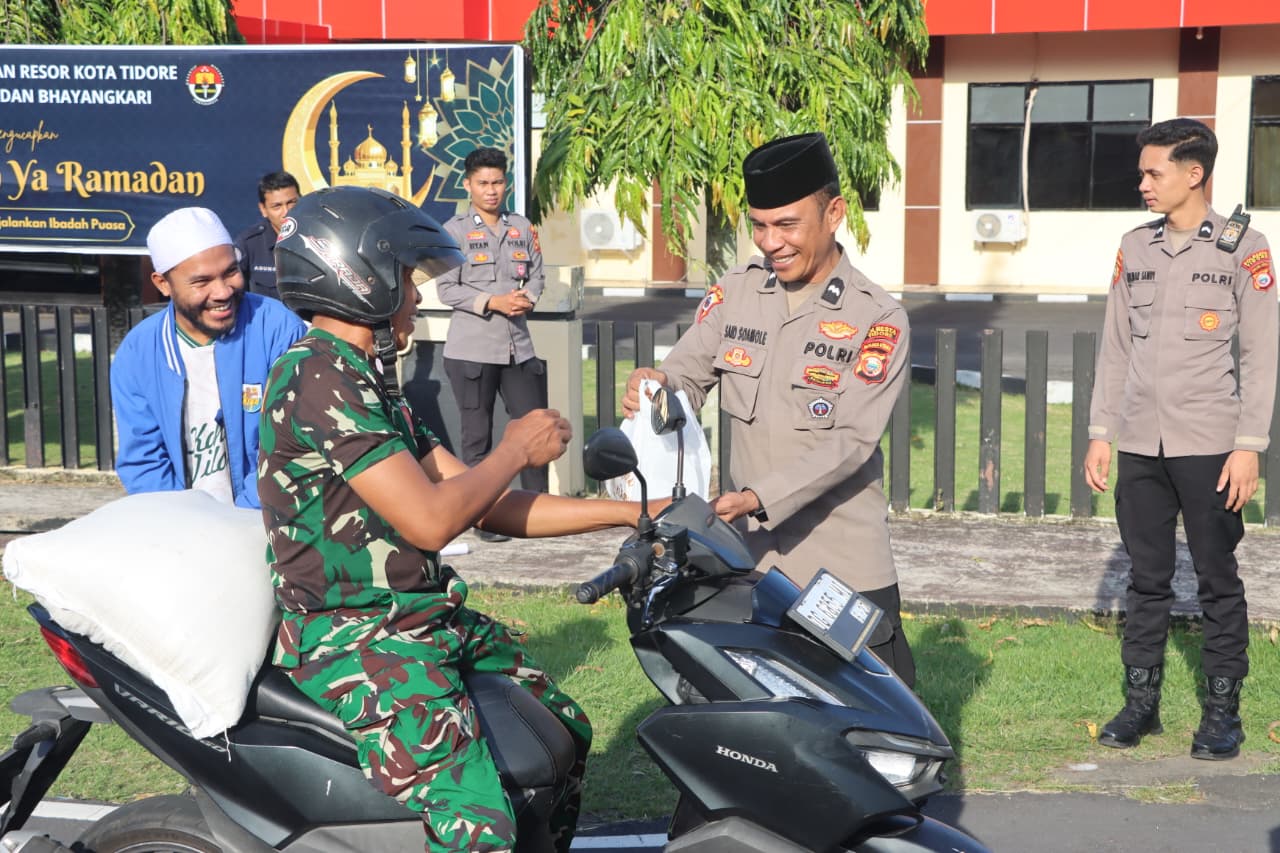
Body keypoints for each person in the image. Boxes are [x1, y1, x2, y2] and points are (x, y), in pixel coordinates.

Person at [262, 186, 645, 853]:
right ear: (362, 281)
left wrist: (637, 513)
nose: (415, 297)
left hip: (419, 618)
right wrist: (514, 449)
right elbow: (432, 521)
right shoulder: (317, 377)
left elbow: (479, 501)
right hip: (356, 638)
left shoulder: (367, 381)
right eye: (406, 281)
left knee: (562, 727)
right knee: (479, 831)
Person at [622, 132, 916, 687]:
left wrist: (756, 498)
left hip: (841, 564)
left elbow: (851, 441)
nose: (771, 242)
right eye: (758, 226)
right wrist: (654, 385)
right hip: (751, 559)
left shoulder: (878, 317)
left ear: (834, 214)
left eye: (786, 225)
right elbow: (685, 377)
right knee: (761, 714)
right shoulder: (736, 292)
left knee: (877, 720)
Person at [1084, 118, 1277, 760]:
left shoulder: (1244, 249)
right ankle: (1140, 705)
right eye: (1142, 172)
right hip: (1141, 443)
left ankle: (1222, 713)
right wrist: (1101, 433)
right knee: (1146, 579)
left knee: (1218, 579)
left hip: (1211, 445)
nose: (1143, 183)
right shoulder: (1133, 247)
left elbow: (1260, 354)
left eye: (1154, 172)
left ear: (1194, 174)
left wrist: (1249, 445)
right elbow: (1115, 347)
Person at [111, 206, 306, 509]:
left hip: (269, 521)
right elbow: (144, 461)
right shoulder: (139, 352)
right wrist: (182, 522)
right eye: (202, 282)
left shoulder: (278, 329)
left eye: (231, 272)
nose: (223, 292)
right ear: (163, 284)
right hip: (182, 527)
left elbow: (291, 446)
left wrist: (240, 519)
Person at [436, 147, 548, 543]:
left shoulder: (521, 226)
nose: (491, 190)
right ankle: (482, 517)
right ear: (468, 185)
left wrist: (527, 298)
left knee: (535, 428)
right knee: (477, 437)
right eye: (482, 183)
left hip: (519, 347)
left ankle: (539, 512)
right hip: (472, 349)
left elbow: (537, 275)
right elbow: (447, 289)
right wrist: (492, 302)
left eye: (497, 182)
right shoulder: (453, 232)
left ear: (507, 183)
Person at [234, 170, 301, 301]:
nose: (286, 212)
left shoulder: (321, 238)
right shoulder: (249, 245)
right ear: (263, 209)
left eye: (291, 203)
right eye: (277, 206)